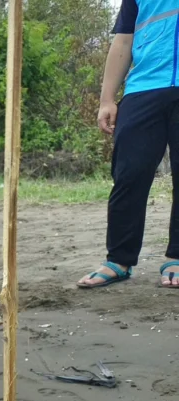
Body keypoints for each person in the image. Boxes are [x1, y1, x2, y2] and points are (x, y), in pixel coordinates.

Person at [79, 0, 179, 289]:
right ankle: (119, 260)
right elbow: (123, 40)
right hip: (144, 87)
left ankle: (177, 256)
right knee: (129, 174)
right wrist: (107, 100)